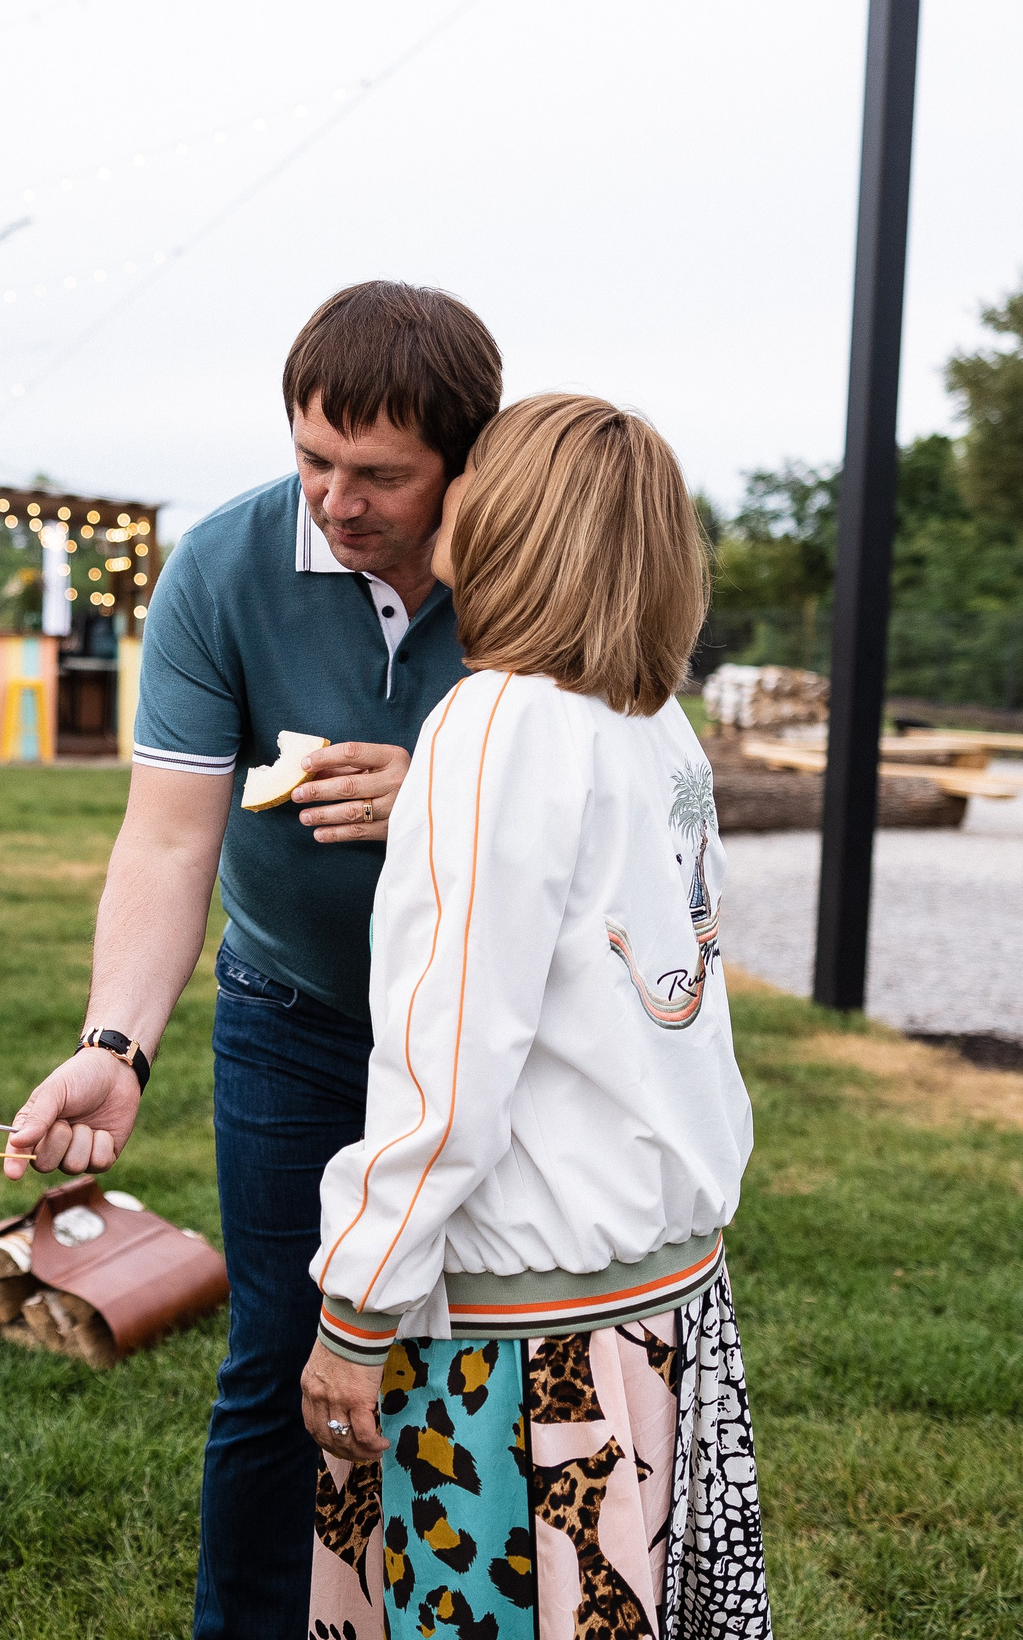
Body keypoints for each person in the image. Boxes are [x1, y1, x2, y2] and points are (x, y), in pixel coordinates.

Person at [5, 281, 503, 1638]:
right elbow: (170, 841)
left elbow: (614, 787)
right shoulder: (223, 567)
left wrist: (448, 788)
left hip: (493, 1028)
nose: (336, 500)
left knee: (480, 1338)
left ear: (466, 458)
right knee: (283, 1351)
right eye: (312, 458)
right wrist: (117, 1045)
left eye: (379, 475)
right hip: (289, 1008)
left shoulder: (533, 566)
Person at [296, 394, 768, 1638]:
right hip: (661, 1306)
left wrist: (355, 1305)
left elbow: (446, 1054)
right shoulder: (653, 724)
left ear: (510, 519)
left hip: (522, 1346)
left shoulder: (492, 717)